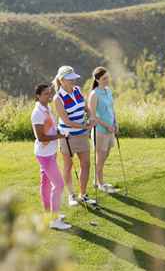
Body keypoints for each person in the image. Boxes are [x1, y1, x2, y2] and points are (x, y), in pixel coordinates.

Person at [52, 65, 96, 207]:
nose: (73, 81)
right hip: (68, 137)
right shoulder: (58, 98)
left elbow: (85, 107)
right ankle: (71, 195)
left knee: (86, 164)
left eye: (73, 79)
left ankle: (82, 194)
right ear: (62, 80)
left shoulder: (77, 90)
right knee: (68, 166)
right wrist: (85, 126)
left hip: (82, 135)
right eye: (70, 79)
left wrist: (90, 116)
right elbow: (66, 120)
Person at [31, 83, 71, 230]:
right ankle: (54, 221)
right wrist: (59, 136)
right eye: (46, 94)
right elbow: (41, 137)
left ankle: (49, 215)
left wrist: (60, 131)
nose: (49, 96)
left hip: (50, 152)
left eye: (49, 93)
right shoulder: (37, 113)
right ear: (38, 96)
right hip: (44, 154)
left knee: (46, 184)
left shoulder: (47, 109)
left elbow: (51, 128)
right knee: (59, 185)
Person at [88, 66, 118, 193]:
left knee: (106, 154)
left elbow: (111, 108)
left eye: (108, 78)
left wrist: (115, 123)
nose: (107, 80)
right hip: (100, 130)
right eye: (104, 78)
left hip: (110, 129)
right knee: (100, 158)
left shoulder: (108, 91)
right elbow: (93, 116)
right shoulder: (94, 94)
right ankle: (101, 184)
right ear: (97, 79)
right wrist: (107, 126)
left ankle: (97, 180)